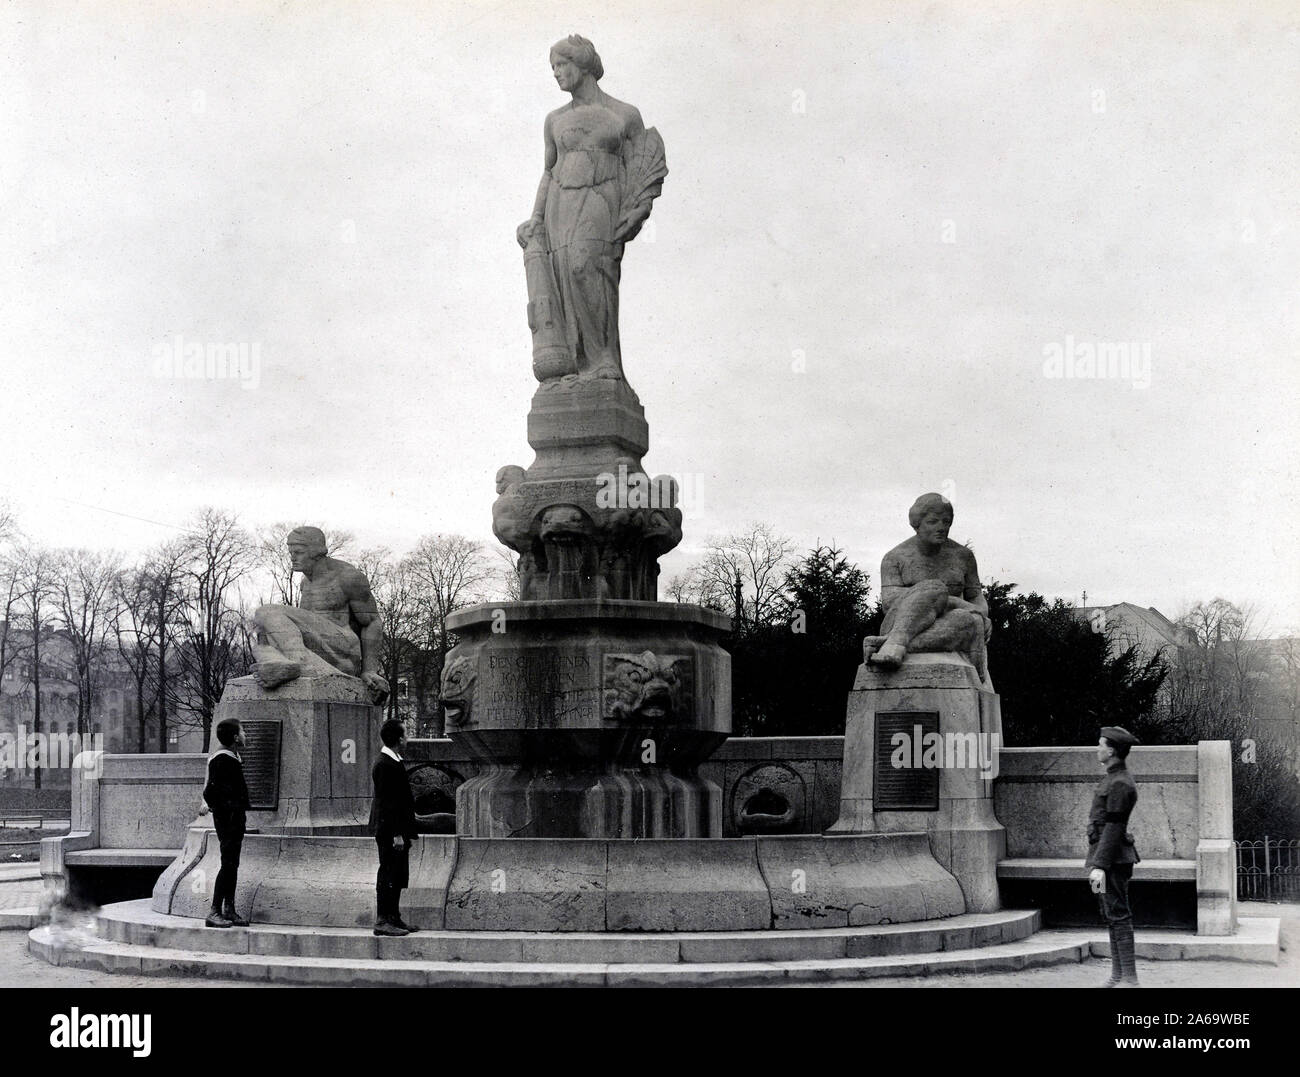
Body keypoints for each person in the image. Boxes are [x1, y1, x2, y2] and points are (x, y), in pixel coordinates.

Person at [516, 34, 666, 382]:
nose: (556, 73)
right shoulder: (554, 120)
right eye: (553, 67)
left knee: (588, 267)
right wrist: (535, 218)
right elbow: (549, 171)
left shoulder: (624, 114)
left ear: (582, 65)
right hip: (561, 205)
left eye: (562, 65)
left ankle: (603, 361)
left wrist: (638, 208)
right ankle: (578, 365)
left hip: (602, 201)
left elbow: (642, 164)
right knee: (566, 273)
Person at [252, 526, 390, 704]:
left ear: (316, 552)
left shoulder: (348, 577)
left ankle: (298, 662)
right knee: (262, 642)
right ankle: (284, 664)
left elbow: (372, 622)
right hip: (321, 652)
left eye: (299, 552)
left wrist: (369, 670)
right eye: (291, 552)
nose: (292, 557)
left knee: (265, 612)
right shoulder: (305, 584)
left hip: (343, 647)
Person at [862, 493, 992, 683]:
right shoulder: (895, 557)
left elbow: (977, 598)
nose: (941, 527)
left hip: (949, 625)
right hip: (900, 622)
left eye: (946, 522)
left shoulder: (963, 556)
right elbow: (889, 603)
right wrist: (951, 600)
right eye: (933, 522)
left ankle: (889, 645)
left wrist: (979, 612)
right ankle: (896, 640)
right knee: (936, 589)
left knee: (967, 619)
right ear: (917, 524)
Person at [1088, 725, 1142, 987]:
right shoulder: (1113, 778)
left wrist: (1100, 865)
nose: (1097, 749)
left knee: (1118, 914)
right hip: (1105, 857)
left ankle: (1130, 979)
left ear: (1111, 751)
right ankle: (1118, 975)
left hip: (1112, 859)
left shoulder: (1120, 782)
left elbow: (1114, 826)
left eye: (1100, 745)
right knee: (1110, 914)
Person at [199, 718, 251, 929]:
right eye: (243, 731)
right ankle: (214, 911)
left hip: (234, 819)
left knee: (232, 865)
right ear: (235, 737)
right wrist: (226, 810)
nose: (246, 735)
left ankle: (229, 909)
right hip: (228, 820)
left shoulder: (232, 757)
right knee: (227, 864)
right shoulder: (222, 760)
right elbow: (210, 792)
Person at [371, 719, 419, 937]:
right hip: (391, 832)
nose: (407, 738)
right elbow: (387, 804)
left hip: (396, 830)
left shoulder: (392, 761)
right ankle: (382, 920)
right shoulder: (385, 764)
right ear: (399, 739)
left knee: (398, 874)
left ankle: (393, 917)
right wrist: (397, 834)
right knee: (388, 873)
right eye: (406, 734)